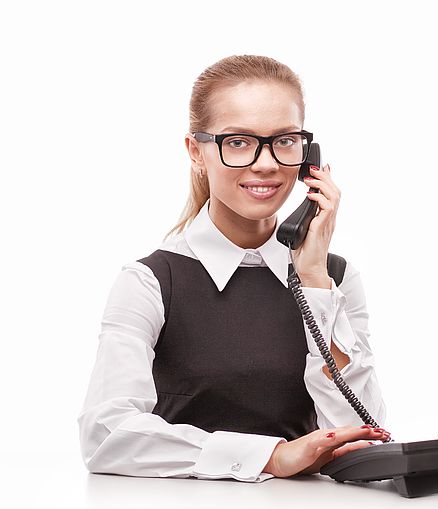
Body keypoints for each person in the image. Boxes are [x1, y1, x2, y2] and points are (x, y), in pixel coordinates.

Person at [77, 55, 388, 483]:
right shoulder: (151, 282)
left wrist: (315, 281)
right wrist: (271, 456)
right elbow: (105, 433)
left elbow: (366, 438)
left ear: (308, 155)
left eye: (284, 140)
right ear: (196, 151)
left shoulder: (334, 278)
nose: (266, 163)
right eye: (238, 141)